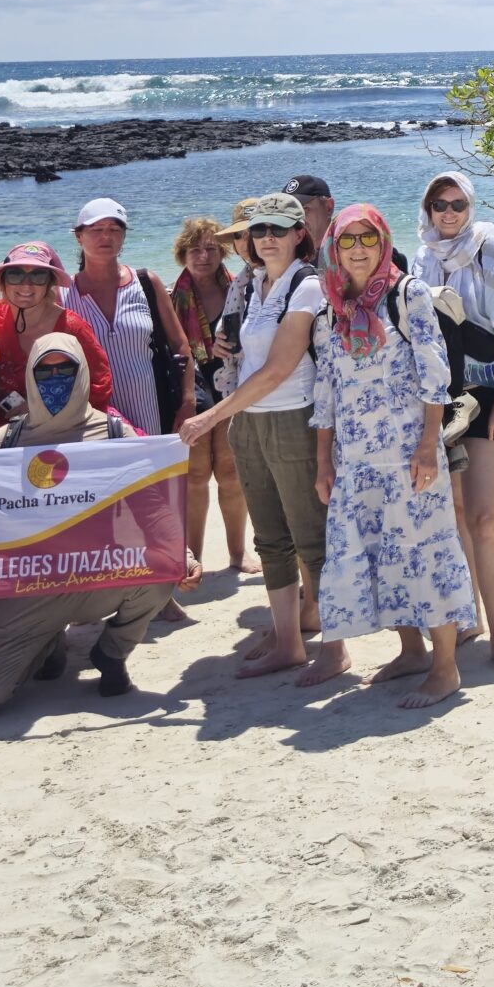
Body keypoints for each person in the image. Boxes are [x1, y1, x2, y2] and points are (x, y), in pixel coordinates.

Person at [310, 204, 476, 708]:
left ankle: (445, 668)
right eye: (347, 240)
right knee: (382, 553)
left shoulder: (409, 294)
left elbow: (435, 373)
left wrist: (428, 446)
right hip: (356, 460)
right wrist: (324, 463)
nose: (358, 249)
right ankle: (410, 652)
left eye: (368, 238)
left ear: (383, 243)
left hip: (408, 455)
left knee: (426, 553)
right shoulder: (331, 310)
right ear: (334, 249)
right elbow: (327, 392)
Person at [0, 334, 172, 717]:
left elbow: (152, 510)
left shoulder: (115, 435)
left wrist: (183, 557)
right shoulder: (2, 444)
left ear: (83, 372)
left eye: (66, 370)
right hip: (27, 591)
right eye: (45, 372)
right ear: (30, 376)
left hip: (97, 577)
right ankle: (46, 643)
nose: (56, 379)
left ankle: (111, 652)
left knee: (163, 569)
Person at [176, 193, 334, 683]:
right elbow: (246, 358)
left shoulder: (307, 285)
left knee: (311, 537)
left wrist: (209, 418)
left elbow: (278, 369)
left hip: (292, 419)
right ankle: (288, 641)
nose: (267, 238)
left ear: (298, 234)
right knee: (270, 539)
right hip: (249, 422)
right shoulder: (253, 285)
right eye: (259, 229)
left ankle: (334, 647)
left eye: (278, 229)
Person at [415, 171, 494, 676]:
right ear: (428, 209)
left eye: (457, 204)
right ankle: (471, 618)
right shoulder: (421, 257)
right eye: (439, 204)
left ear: (470, 206)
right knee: (456, 513)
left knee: (485, 518)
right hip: (441, 395)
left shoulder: (489, 249)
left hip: (487, 392)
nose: (448, 213)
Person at [65, 197, 199, 439]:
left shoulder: (146, 283)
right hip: (91, 417)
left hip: (150, 410)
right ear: (78, 236)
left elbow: (179, 344)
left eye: (114, 229)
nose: (106, 236)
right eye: (96, 230)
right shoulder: (63, 294)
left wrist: (188, 400)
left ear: (124, 236)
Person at [169, 215, 255, 579]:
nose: (203, 256)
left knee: (232, 472)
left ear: (222, 252)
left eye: (210, 249)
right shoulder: (171, 297)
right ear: (182, 254)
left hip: (232, 383)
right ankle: (193, 558)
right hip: (192, 386)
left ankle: (237, 553)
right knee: (196, 474)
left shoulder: (240, 289)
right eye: (194, 249)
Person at [0, 242, 113, 420]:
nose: (26, 285)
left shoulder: (71, 327)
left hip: (63, 430)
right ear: (2, 281)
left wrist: (40, 408)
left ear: (49, 283)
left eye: (38, 275)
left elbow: (99, 385)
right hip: (4, 431)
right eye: (15, 274)